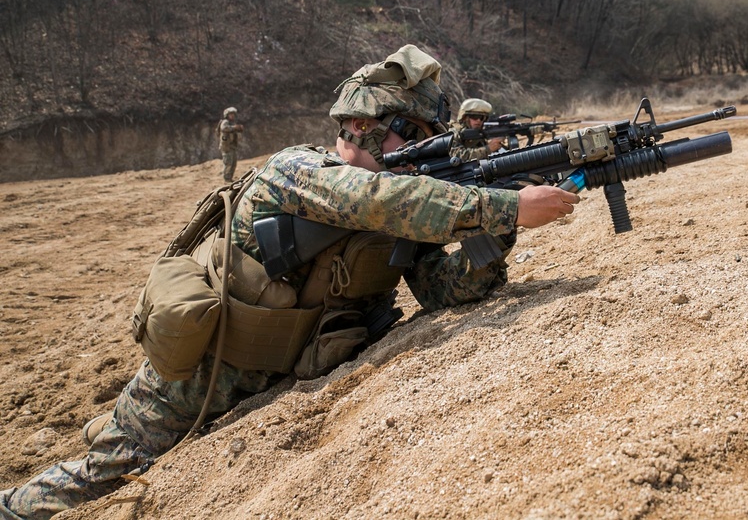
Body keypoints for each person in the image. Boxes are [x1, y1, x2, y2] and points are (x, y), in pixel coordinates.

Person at [0, 45, 578, 520]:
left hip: (273, 385)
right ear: (360, 127)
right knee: (106, 473)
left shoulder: (401, 205)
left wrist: (498, 233)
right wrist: (503, 207)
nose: (422, 148)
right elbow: (371, 200)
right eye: (412, 133)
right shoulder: (298, 171)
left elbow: (444, 291)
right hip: (197, 378)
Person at [217, 107, 244, 182]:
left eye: (233, 115)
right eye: (230, 115)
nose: (232, 116)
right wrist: (234, 128)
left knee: (233, 163)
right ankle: (227, 178)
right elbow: (224, 128)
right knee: (228, 163)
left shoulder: (231, 123)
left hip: (232, 146)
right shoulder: (225, 122)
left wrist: (238, 128)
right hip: (226, 147)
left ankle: (230, 178)